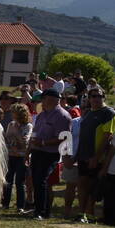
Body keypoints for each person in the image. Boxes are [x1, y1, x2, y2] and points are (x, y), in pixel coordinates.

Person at [28, 88, 71, 219]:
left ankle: (41, 212)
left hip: (49, 153)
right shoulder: (42, 114)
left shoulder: (62, 116)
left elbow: (63, 137)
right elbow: (35, 133)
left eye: (43, 98)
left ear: (51, 99)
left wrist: (44, 143)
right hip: (37, 151)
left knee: (41, 180)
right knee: (37, 181)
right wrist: (29, 150)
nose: (41, 101)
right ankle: (40, 209)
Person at [74, 86, 115, 223]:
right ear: (89, 98)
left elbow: (107, 136)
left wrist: (96, 157)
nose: (96, 99)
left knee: (92, 187)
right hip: (83, 155)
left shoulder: (108, 113)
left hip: (96, 157)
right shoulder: (89, 113)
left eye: (99, 96)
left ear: (104, 97)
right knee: (82, 184)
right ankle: (81, 213)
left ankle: (89, 215)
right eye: (93, 96)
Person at [1, 102, 33, 212]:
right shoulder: (11, 124)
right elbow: (7, 139)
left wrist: (17, 133)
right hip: (10, 155)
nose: (12, 114)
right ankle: (5, 203)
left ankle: (20, 206)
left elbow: (25, 142)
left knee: (20, 182)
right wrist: (10, 143)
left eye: (13, 112)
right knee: (7, 180)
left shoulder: (28, 126)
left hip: (21, 157)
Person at [96, 124, 115, 225]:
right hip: (113, 169)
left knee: (110, 196)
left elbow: (112, 150)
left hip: (114, 170)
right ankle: (109, 219)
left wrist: (104, 168)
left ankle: (109, 219)